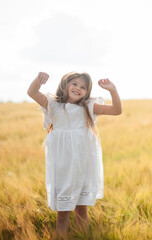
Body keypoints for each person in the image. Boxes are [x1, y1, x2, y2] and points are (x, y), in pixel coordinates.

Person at [27, 71, 122, 238]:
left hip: (82, 167)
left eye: (83, 87)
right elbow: (32, 92)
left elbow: (116, 110)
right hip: (63, 168)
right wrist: (38, 80)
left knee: (81, 210)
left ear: (87, 91)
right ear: (65, 85)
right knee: (63, 213)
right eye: (75, 84)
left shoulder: (89, 107)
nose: (78, 88)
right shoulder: (53, 105)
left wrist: (112, 89)